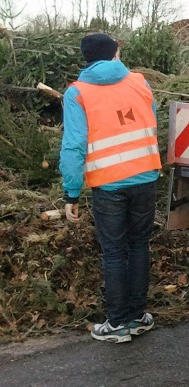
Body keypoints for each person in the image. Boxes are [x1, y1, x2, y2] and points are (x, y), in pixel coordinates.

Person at [60, 32, 162, 343]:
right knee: (138, 245)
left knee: (115, 251)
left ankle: (118, 323)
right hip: (145, 177)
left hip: (109, 185)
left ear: (85, 57)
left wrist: (71, 193)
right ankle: (138, 315)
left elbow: (74, 146)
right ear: (115, 52)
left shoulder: (77, 93)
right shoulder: (139, 81)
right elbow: (152, 120)